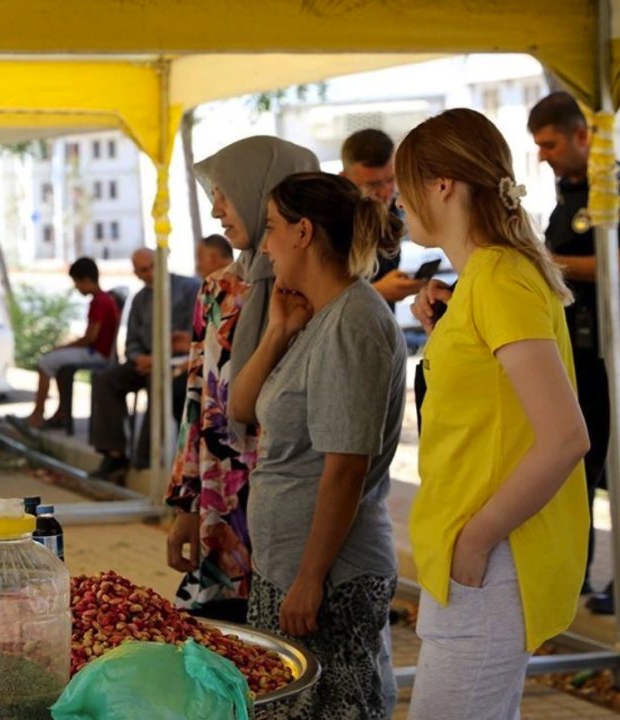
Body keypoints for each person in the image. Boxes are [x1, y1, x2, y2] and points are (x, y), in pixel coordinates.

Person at [404, 109, 589, 719]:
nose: (399, 204)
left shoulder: (500, 278)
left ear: (443, 186)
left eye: (407, 186)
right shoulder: (486, 277)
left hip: (492, 557)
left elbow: (565, 438)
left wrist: (477, 540)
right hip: (474, 555)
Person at [228, 172, 405, 719]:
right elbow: (240, 409)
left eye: (274, 228)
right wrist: (279, 330)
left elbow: (347, 467)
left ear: (304, 233)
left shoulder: (353, 322)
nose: (264, 244)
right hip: (290, 567)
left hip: (331, 576)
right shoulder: (317, 317)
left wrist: (309, 579)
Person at [165, 137, 319, 622]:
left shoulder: (318, 292)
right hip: (222, 510)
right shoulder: (219, 289)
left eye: (225, 195)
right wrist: (186, 507)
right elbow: (198, 402)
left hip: (291, 509)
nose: (216, 212)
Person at [528, 91, 614, 611]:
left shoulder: (611, 192)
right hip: (576, 356)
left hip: (611, 356)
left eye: (550, 144)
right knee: (576, 473)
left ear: (583, 136)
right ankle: (572, 578)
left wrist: (547, 263)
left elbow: (612, 267)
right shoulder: (567, 195)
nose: (542, 155)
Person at [88, 248, 200, 479]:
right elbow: (131, 343)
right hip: (145, 360)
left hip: (178, 361)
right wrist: (139, 358)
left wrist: (162, 357)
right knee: (105, 380)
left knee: (159, 381)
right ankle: (115, 453)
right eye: (143, 270)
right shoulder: (139, 299)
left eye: (152, 267)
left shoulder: (190, 288)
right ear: (136, 273)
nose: (149, 274)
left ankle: (145, 455)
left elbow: (195, 333)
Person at [25, 257, 121, 428]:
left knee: (45, 363)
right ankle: (62, 412)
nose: (76, 287)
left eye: (76, 282)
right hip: (97, 351)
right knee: (59, 364)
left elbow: (90, 338)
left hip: (98, 353)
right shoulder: (103, 299)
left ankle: (37, 413)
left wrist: (63, 347)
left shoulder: (100, 301)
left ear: (86, 280)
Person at [340, 128, 427, 306]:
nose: (386, 192)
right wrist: (378, 291)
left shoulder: (393, 209)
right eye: (372, 184)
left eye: (391, 180)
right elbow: (320, 302)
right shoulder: (329, 221)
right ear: (344, 179)